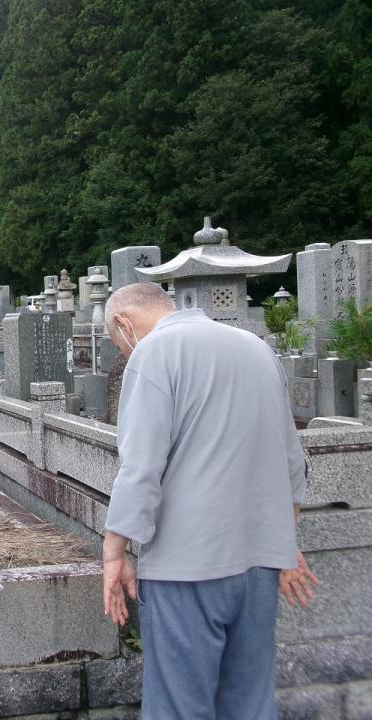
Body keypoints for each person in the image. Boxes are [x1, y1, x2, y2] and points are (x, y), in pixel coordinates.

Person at [100, 282, 320, 720]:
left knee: (179, 705)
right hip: (260, 561)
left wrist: (114, 552)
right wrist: (285, 542)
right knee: (250, 701)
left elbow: (142, 466)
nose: (123, 353)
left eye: (117, 344)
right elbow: (291, 459)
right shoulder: (256, 348)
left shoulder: (153, 353)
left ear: (124, 323)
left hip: (188, 565)